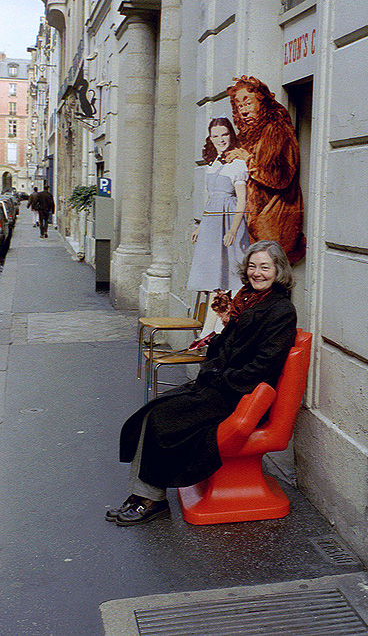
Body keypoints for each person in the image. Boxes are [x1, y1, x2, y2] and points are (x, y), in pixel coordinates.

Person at [107, 240, 297, 526]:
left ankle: (150, 499)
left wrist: (219, 376)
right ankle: (141, 494)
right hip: (220, 386)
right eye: (252, 266)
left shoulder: (280, 310)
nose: (257, 273)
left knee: (162, 417)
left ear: (278, 270)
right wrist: (219, 340)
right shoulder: (247, 299)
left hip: (240, 396)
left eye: (265, 267)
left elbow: (263, 367)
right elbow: (225, 345)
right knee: (151, 412)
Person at [226, 76, 306, 265]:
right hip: (252, 225)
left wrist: (248, 160)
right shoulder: (249, 134)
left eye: (248, 103)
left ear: (262, 103)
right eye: (239, 105)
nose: (243, 111)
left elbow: (281, 177)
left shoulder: (276, 130)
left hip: (273, 224)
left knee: (270, 278)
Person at [187, 117, 250, 292]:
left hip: (230, 220)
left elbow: (242, 200)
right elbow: (211, 199)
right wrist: (201, 226)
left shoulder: (237, 163)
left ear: (231, 135)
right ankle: (215, 314)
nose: (220, 140)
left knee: (233, 267)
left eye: (225, 134)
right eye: (215, 136)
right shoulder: (212, 164)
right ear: (210, 138)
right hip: (213, 223)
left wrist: (233, 230)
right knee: (213, 270)